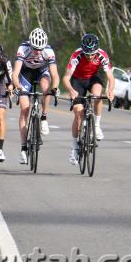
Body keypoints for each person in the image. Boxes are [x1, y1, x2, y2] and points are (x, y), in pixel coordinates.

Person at [63, 33, 115, 165]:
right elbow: (66, 78)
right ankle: (74, 148)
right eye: (87, 54)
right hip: (77, 80)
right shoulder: (77, 55)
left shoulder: (102, 55)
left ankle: (96, 125)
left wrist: (110, 90)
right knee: (78, 112)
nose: (90, 56)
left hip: (93, 78)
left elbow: (110, 77)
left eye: (92, 54)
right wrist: (71, 90)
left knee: (97, 95)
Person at [12, 27, 60, 164]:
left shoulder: (49, 51)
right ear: (30, 44)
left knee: (46, 88)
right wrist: (18, 87)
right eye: (35, 48)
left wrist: (55, 88)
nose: (38, 52)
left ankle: (44, 117)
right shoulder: (23, 49)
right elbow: (15, 74)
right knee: (25, 108)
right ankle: (23, 148)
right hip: (25, 73)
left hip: (41, 71)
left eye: (40, 49)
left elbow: (55, 75)